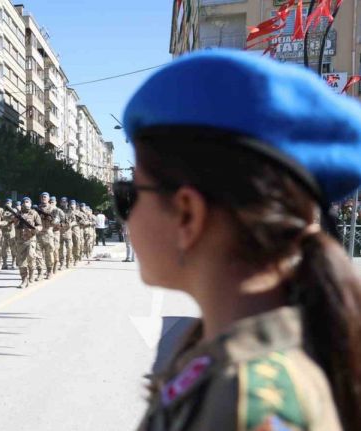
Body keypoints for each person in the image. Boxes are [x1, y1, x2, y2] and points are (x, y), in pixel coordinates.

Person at [121, 50, 361, 430]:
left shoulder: (253, 403)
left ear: (188, 214)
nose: (128, 216)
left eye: (130, 195)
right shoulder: (226, 361)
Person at [13, 196, 42, 288]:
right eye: (25, 202)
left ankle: (32, 273)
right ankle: (24, 280)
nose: (27, 204)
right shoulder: (18, 214)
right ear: (22, 204)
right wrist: (17, 217)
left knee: (31, 257)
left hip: (31, 239)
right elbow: (14, 224)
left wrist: (36, 229)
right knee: (21, 261)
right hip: (20, 240)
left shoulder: (34, 213)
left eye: (28, 202)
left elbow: (40, 225)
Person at [35, 192, 60, 280]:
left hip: (48, 233)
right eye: (42, 197)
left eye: (45, 197)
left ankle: (49, 271)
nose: (43, 198)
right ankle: (40, 272)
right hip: (38, 234)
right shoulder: (37, 208)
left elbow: (57, 221)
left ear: (49, 198)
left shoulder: (53, 209)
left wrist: (52, 220)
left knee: (49, 254)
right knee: (38, 255)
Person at [1, 199, 17, 270]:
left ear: (11, 204)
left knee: (13, 248)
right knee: (3, 248)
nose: (8, 204)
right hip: (3, 232)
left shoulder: (14, 211)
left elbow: (14, 219)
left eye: (9, 203)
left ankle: (14, 261)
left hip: (11, 232)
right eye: (7, 203)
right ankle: (4, 263)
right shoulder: (2, 212)